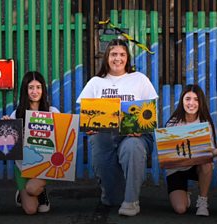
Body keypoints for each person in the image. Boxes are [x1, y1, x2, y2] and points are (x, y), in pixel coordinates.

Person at [76, 38, 158, 216]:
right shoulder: (96, 83)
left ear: (127, 58)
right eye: (113, 54)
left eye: (122, 54)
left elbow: (149, 113)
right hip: (105, 136)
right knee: (112, 200)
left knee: (133, 146)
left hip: (135, 136)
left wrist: (141, 129)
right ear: (107, 57)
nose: (117, 58)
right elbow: (86, 113)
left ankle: (131, 202)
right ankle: (112, 195)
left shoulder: (139, 79)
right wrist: (89, 126)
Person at [3, 71, 59, 215]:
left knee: (32, 188)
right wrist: (6, 128)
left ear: (43, 89)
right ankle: (23, 193)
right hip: (23, 167)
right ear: (25, 90)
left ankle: (40, 192)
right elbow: (8, 146)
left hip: (45, 167)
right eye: (31, 87)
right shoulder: (15, 114)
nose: (35, 91)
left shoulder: (53, 112)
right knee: (30, 210)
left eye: (38, 87)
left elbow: (62, 142)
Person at [165, 84, 217, 216]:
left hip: (198, 165)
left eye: (196, 99)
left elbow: (209, 153)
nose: (191, 103)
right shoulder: (172, 123)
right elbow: (169, 158)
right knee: (180, 209)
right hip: (177, 168)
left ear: (201, 103)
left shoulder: (205, 124)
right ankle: (184, 194)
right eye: (188, 99)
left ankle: (202, 201)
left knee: (207, 162)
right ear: (182, 101)